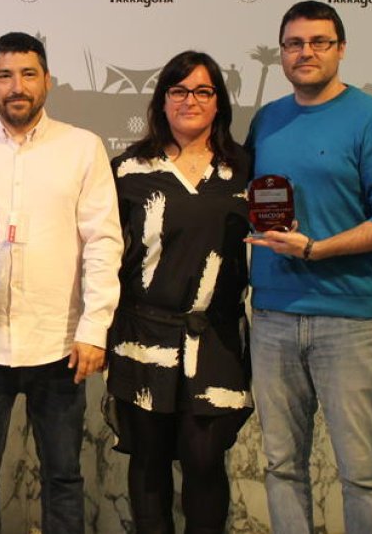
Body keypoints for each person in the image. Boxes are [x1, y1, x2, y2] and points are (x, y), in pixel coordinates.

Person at [0, 32, 123, 533]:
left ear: (47, 81)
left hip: (59, 345)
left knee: (63, 477)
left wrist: (95, 328)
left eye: (28, 74)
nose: (17, 86)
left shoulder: (83, 148)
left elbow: (103, 242)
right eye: (5, 75)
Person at [245, 0, 372, 534]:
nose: (306, 52)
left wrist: (316, 249)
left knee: (361, 473)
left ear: (341, 48)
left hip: (348, 322)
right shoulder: (267, 120)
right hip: (272, 318)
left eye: (320, 41)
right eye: (295, 43)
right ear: (281, 54)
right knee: (280, 466)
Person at [106, 51, 252, 534]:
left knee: (205, 461)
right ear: (162, 101)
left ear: (219, 103)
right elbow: (102, 255)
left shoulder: (246, 172)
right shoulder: (127, 170)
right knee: (148, 464)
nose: (191, 100)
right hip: (142, 334)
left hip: (217, 339)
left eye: (203, 91)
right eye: (179, 90)